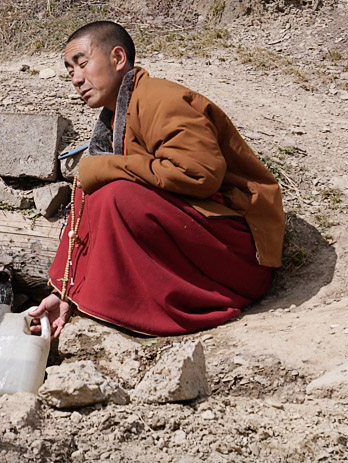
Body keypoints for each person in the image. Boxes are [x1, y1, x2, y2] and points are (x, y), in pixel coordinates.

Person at [28, 21, 285, 338]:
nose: (77, 80)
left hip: (242, 258)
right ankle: (86, 295)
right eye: (70, 72)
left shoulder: (164, 100)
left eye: (82, 64)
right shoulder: (117, 116)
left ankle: (156, 305)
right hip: (203, 237)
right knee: (95, 194)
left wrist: (110, 166)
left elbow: (199, 175)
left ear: (118, 58)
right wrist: (64, 292)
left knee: (115, 196)